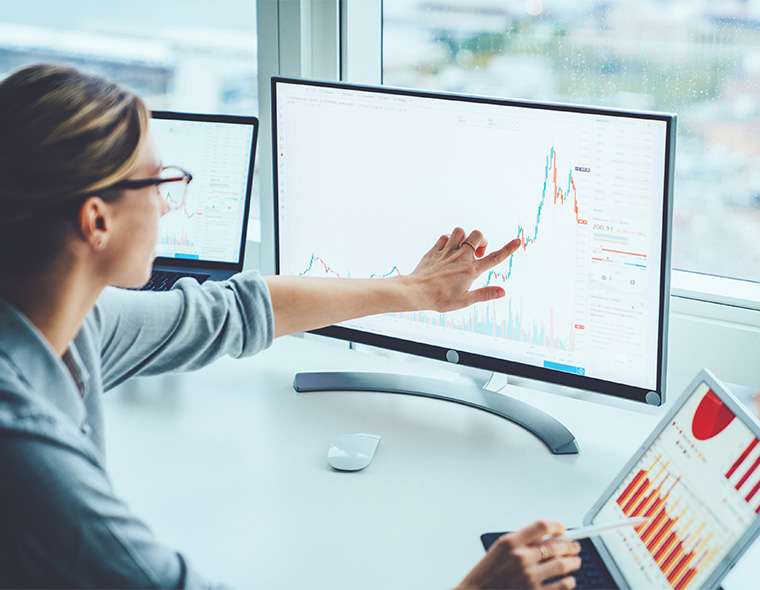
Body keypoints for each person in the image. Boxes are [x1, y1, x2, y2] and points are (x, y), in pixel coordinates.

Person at [0, 64, 581, 589]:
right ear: (96, 221)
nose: (170, 205)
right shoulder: (25, 450)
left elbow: (233, 311)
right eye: (158, 184)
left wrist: (416, 290)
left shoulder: (65, 323)